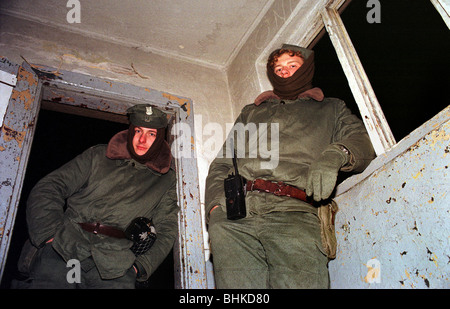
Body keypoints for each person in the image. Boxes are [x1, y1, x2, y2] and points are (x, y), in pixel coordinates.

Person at [205, 44, 376, 288]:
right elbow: (222, 162)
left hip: (294, 215)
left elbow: (362, 143)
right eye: (278, 67)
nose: (284, 72)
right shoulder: (251, 112)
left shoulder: (331, 108)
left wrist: (335, 154)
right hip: (235, 218)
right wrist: (215, 209)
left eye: (292, 65)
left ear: (306, 69)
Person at [17, 104, 178, 289]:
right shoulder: (98, 156)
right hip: (66, 247)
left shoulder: (166, 181)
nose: (142, 139)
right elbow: (50, 187)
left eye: (151, 134)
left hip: (116, 265)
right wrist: (49, 235)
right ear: (131, 130)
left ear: (159, 138)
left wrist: (140, 266)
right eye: (138, 131)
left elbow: (167, 228)